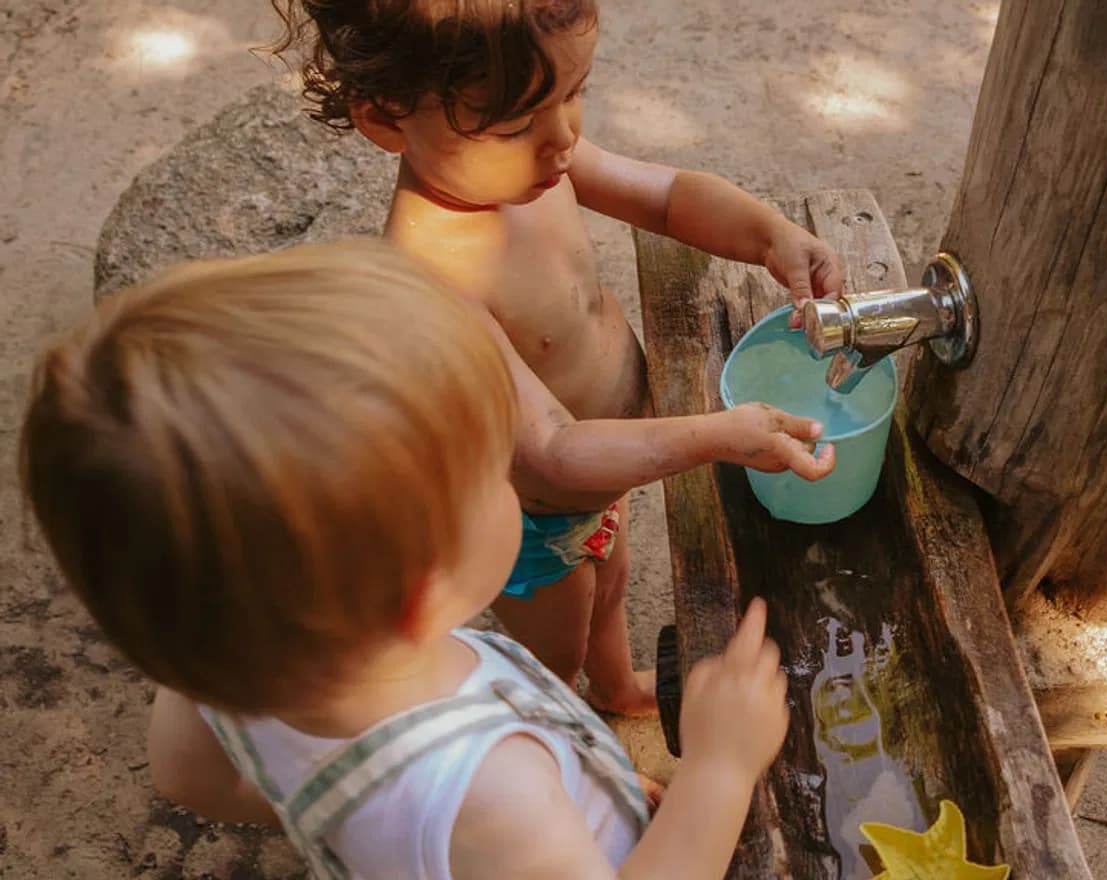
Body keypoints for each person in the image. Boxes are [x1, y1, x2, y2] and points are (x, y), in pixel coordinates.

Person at [19, 240, 813, 877]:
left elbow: (189, 780)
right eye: (497, 475)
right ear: (422, 597)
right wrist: (717, 768)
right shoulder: (493, 793)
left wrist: (387, 825)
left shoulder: (226, 660)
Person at [269, 0, 845, 715]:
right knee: (553, 659)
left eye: (574, 94)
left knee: (611, 592)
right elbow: (551, 449)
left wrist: (769, 236)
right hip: (532, 526)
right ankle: (565, 744)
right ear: (386, 119)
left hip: (607, 472)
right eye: (516, 124)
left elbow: (666, 197)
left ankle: (615, 688)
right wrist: (719, 436)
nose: (564, 138)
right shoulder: (434, 280)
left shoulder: (532, 164)